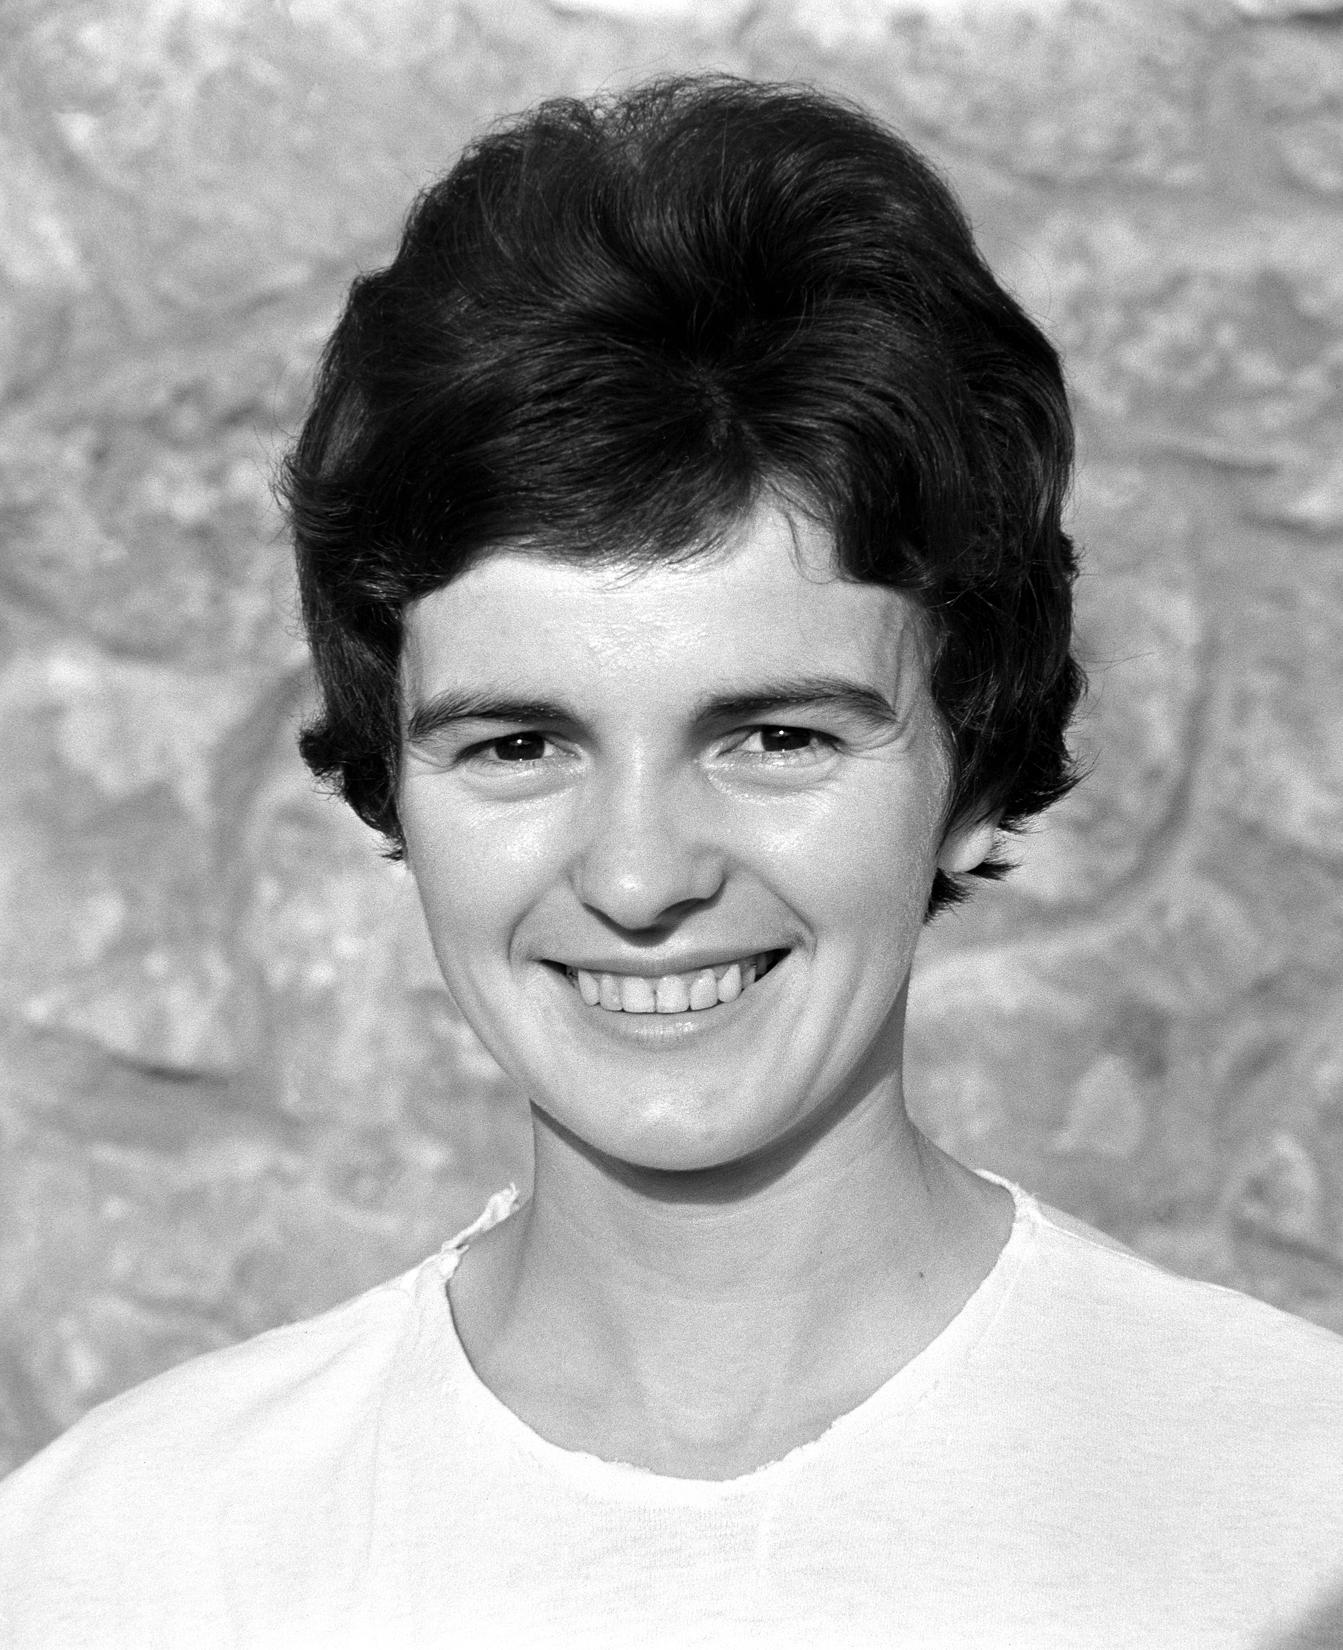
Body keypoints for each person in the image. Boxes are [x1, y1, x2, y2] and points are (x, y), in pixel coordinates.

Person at [1, 73, 1341, 1650]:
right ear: (395, 789)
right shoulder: (114, 1561)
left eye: (774, 735)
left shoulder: (1293, 1519)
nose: (639, 879)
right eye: (521, 743)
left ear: (974, 770)